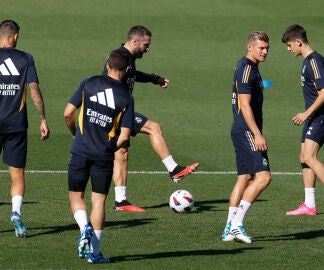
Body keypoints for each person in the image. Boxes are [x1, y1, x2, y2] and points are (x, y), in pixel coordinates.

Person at [109, 25, 199, 212]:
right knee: (153, 127)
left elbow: (133, 75)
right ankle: (174, 170)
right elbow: (109, 83)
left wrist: (154, 79)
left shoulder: (127, 58)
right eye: (146, 45)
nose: (148, 49)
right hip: (118, 111)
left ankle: (120, 201)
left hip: (120, 110)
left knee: (121, 155)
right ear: (135, 41)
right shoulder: (120, 57)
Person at [64, 50, 134, 264]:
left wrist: (75, 133)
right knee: (99, 202)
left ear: (107, 65)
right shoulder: (126, 97)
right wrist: (110, 148)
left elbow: (68, 113)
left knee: (76, 196)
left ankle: (84, 227)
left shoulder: (89, 82)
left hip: (80, 150)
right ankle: (95, 254)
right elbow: (125, 135)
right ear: (127, 70)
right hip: (103, 156)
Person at [281, 24, 324, 218]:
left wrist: (307, 113)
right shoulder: (309, 61)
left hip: (322, 117)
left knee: (310, 156)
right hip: (315, 116)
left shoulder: (314, 61)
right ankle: (309, 204)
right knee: (303, 157)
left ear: (299, 42)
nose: (288, 49)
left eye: (290, 45)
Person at [0, 19, 50, 238]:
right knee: (17, 173)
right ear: (16, 36)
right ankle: (16, 212)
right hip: (16, 124)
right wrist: (43, 119)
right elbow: (34, 90)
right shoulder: (25, 58)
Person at [221, 31, 271, 243]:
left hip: (242, 129)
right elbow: (245, 105)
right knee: (264, 177)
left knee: (245, 178)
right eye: (261, 48)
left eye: (267, 48)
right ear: (250, 47)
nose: (265, 52)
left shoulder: (250, 68)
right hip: (246, 130)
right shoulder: (247, 68)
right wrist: (257, 134)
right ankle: (236, 224)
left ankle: (227, 229)